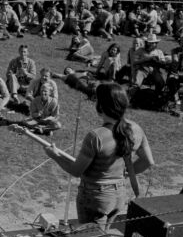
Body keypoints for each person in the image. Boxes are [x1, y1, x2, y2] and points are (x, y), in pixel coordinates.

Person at [42, 83, 155, 227]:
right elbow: (148, 161)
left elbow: (76, 171)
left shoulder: (96, 136)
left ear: (100, 107)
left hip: (96, 197)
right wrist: (124, 173)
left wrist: (54, 155)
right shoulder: (136, 129)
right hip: (119, 194)